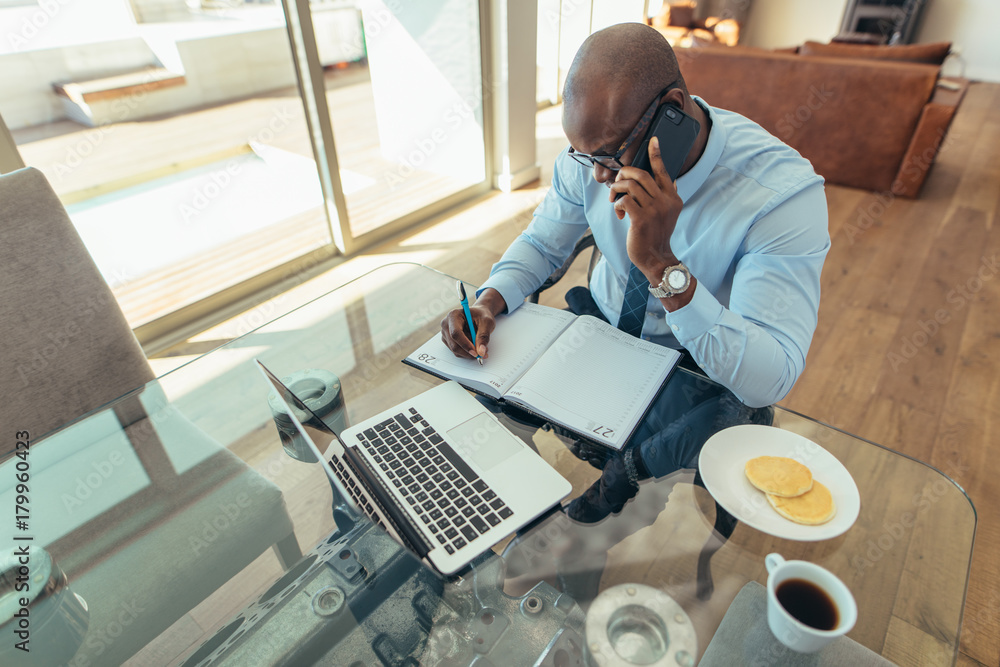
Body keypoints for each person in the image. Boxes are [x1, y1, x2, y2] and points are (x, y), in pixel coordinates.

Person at [440, 23, 830, 525]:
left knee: (612, 514)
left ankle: (584, 530)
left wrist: (661, 265)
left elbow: (769, 377)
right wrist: (488, 300)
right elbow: (542, 242)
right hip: (598, 330)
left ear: (673, 110)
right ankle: (529, 517)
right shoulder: (593, 151)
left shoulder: (779, 196)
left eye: (609, 155)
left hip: (690, 364)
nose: (599, 176)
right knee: (481, 419)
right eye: (587, 156)